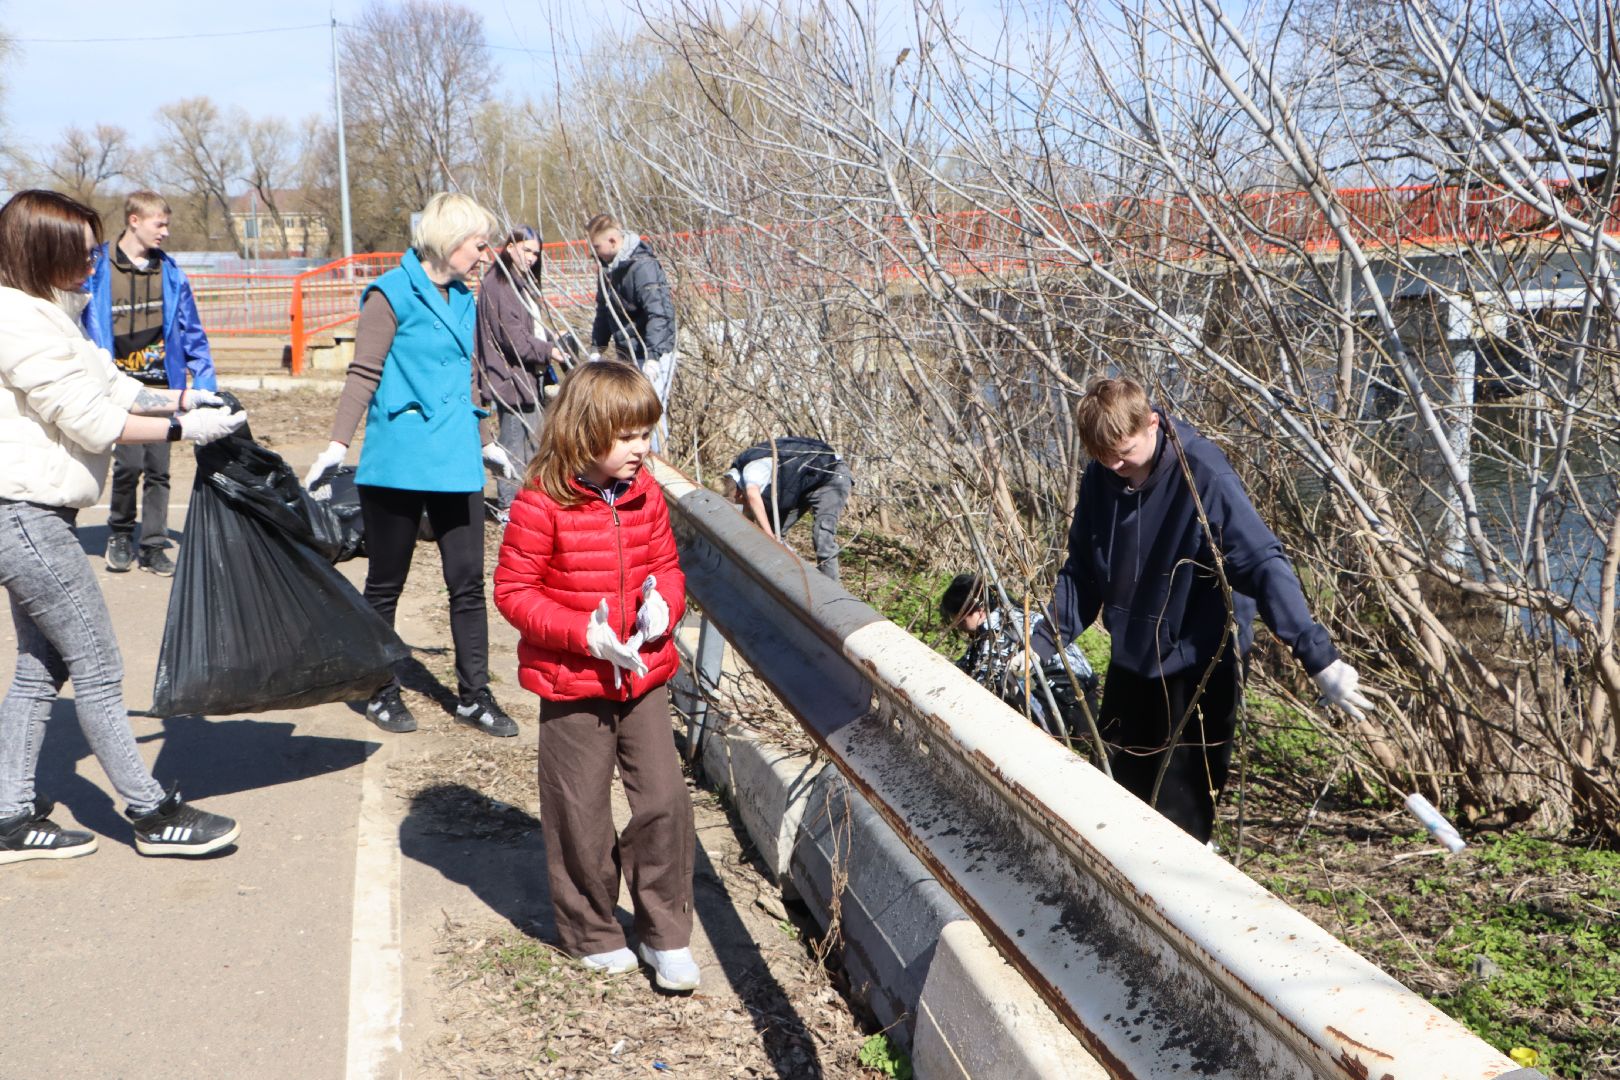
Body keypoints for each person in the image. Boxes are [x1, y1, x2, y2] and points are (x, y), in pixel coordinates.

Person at [0, 189, 245, 863]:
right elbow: (89, 417)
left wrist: (189, 395)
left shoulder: (52, 311)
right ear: (40, 249)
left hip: (35, 510)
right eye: (80, 249)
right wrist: (181, 427)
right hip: (20, 515)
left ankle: (9, 816)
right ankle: (149, 811)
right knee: (98, 662)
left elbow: (111, 385)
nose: (93, 259)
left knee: (38, 667)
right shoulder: (15, 319)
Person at [1033, 376, 1372, 843]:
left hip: (1199, 664)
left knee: (1181, 819)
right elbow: (1084, 572)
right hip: (1134, 659)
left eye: (1123, 451)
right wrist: (1040, 640)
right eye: (1101, 456)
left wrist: (1317, 656)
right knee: (1110, 795)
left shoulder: (1203, 473)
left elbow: (1261, 563)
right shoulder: (1103, 477)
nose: (1114, 464)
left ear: (1152, 423)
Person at [493, 361, 700, 991]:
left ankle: (665, 934)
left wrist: (665, 604)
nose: (643, 449)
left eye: (646, 434)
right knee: (578, 807)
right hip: (572, 681)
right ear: (587, 432)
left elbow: (666, 565)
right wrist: (584, 634)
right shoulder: (540, 502)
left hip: (642, 674)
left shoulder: (646, 494)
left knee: (663, 799)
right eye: (630, 436)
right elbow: (514, 591)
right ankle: (592, 929)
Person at [302, 193, 520, 740]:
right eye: (478, 243)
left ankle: (474, 695)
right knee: (386, 582)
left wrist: (486, 438)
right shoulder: (390, 294)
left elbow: (468, 380)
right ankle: (378, 688)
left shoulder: (465, 299)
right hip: (398, 460)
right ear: (450, 241)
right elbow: (363, 374)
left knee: (467, 583)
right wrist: (336, 445)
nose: (485, 253)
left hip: (457, 460)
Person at [82, 190, 218, 578]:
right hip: (118, 385)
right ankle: (120, 534)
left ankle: (154, 544)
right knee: (128, 465)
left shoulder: (171, 274)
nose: (166, 232)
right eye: (160, 223)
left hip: (163, 385)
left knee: (159, 469)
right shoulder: (97, 268)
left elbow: (193, 334)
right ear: (134, 220)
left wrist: (204, 384)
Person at [939, 573, 1098, 741]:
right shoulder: (1013, 615)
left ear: (978, 610)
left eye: (960, 619)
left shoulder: (998, 631)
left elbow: (981, 681)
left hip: (1063, 706)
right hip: (1082, 700)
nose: (958, 625)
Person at [476, 225, 558, 519]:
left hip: (527, 375)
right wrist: (550, 351)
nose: (533, 258)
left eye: (537, 253)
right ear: (510, 247)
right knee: (513, 442)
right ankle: (509, 505)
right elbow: (513, 339)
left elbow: (528, 328)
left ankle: (528, 501)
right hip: (509, 376)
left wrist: (550, 340)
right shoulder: (499, 285)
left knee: (534, 440)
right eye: (527, 251)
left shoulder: (519, 283)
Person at [587, 214, 677, 431]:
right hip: (627, 352)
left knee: (649, 413)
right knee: (633, 414)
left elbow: (659, 313)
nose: (593, 253)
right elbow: (604, 310)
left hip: (652, 354)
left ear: (612, 241)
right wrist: (597, 348)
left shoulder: (642, 267)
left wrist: (653, 357)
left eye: (596, 247)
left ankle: (655, 458)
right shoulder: (608, 269)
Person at [721, 436, 853, 581]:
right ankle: (789, 581)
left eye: (743, 504)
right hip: (802, 481)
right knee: (773, 534)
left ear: (740, 494)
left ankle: (830, 592)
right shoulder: (736, 474)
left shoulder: (752, 471)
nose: (746, 508)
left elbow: (753, 497)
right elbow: (747, 514)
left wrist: (770, 537)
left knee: (823, 538)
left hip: (831, 477)